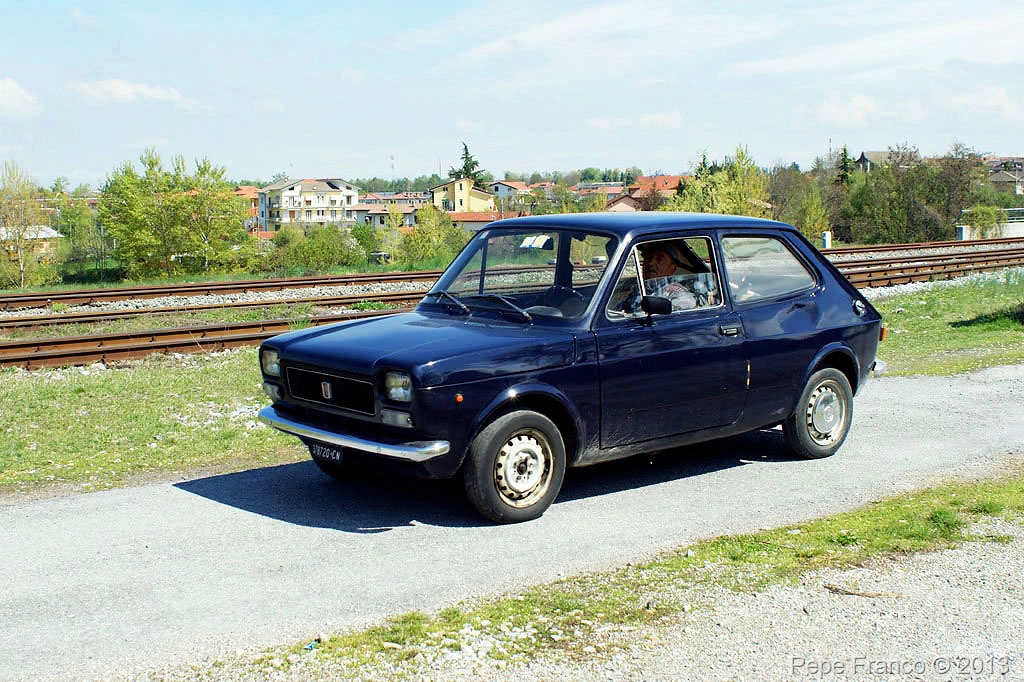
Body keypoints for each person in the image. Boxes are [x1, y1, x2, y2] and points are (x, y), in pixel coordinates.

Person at [639, 242, 698, 311]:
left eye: (659, 259)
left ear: (672, 269)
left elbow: (687, 309)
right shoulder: (639, 288)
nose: (651, 263)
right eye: (648, 258)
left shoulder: (676, 293)